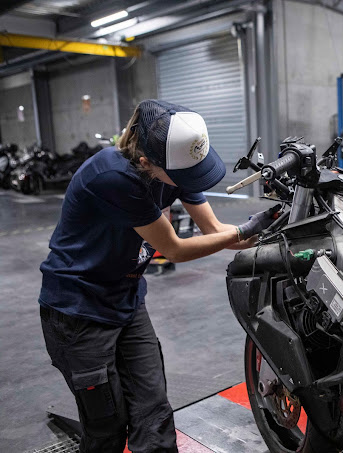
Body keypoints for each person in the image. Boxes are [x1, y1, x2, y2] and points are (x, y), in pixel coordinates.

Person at [38, 100, 279, 452]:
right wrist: (245, 230)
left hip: (127, 300)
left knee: (155, 416)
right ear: (145, 162)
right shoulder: (114, 177)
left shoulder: (177, 163)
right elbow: (177, 249)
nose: (190, 182)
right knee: (107, 427)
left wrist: (273, 231)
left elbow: (214, 230)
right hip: (78, 312)